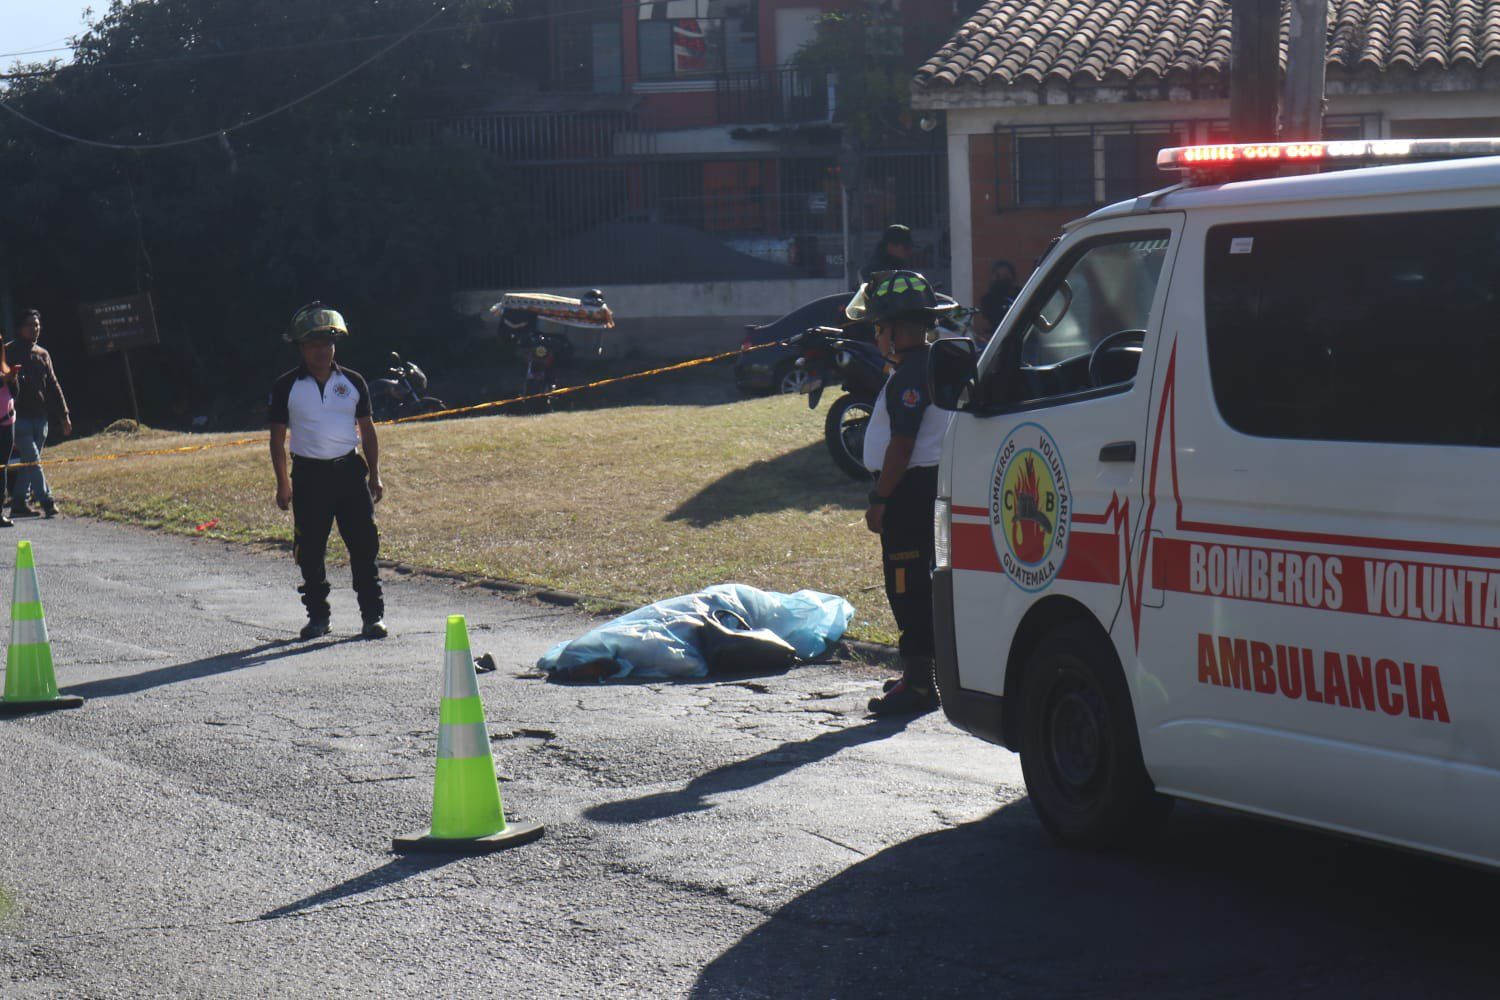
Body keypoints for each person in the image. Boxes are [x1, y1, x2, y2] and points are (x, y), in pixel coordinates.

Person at [848, 270, 956, 716]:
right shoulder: (925, 364)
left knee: (907, 583)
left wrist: (881, 499)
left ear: (894, 331)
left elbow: (902, 444)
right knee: (926, 583)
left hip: (910, 493)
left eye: (878, 328)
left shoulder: (910, 377)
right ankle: (925, 673)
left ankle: (917, 685)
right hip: (929, 488)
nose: (875, 337)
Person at [267, 302, 387, 641]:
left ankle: (372, 616)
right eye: (314, 345)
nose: (322, 351)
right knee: (310, 551)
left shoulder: (353, 382)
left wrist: (375, 474)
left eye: (328, 343)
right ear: (302, 348)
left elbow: (367, 430)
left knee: (364, 547)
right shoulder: (286, 386)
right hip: (308, 477)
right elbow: (276, 440)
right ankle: (318, 617)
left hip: (349, 473)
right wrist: (282, 483)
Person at [6, 309, 72, 519]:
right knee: (33, 460)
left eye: (37, 325)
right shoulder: (7, 352)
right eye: (30, 325)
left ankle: (18, 503)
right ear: (20, 328)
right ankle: (47, 500)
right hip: (17, 418)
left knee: (30, 462)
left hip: (40, 418)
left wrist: (64, 415)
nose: (34, 329)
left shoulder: (43, 355)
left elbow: (54, 385)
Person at [978, 260, 1020, 341]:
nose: (1003, 279)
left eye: (1006, 275)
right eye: (999, 276)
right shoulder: (988, 299)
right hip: (997, 337)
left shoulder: (1020, 294)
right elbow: (990, 317)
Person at [0, 341, 17, 529]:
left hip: (6, 424)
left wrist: (12, 380)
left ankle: (0, 512)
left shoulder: (4, 369)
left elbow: (15, 395)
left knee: (1, 468)